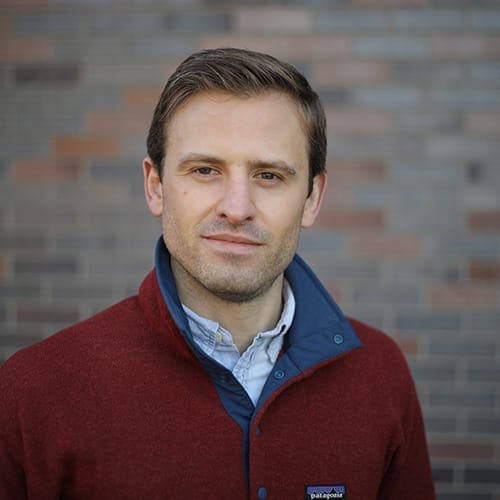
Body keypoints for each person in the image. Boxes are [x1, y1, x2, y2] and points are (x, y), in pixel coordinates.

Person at [0, 48, 435, 499]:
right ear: (155, 187)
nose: (237, 208)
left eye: (269, 175)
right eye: (205, 170)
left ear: (311, 199)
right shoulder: (36, 391)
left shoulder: (380, 375)